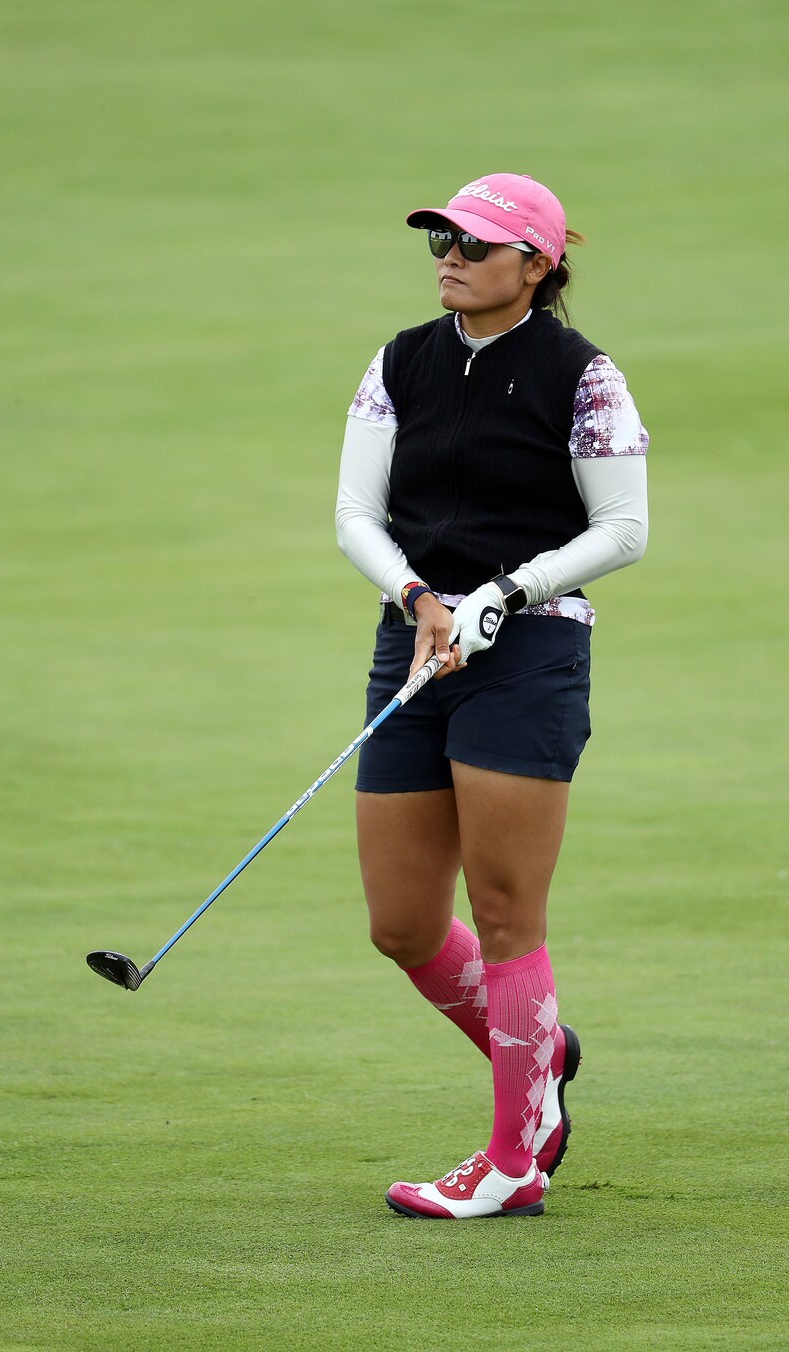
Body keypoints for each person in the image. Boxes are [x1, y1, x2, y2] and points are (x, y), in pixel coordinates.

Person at [335, 173, 649, 1219]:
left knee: (506, 911)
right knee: (403, 921)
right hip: (416, 644)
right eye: (443, 237)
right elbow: (356, 516)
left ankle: (515, 1158)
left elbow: (622, 529)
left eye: (476, 242)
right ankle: (540, 1048)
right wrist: (421, 595)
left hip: (531, 653)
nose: (450, 255)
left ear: (538, 265)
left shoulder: (584, 376)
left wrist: (510, 591)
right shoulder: (400, 361)